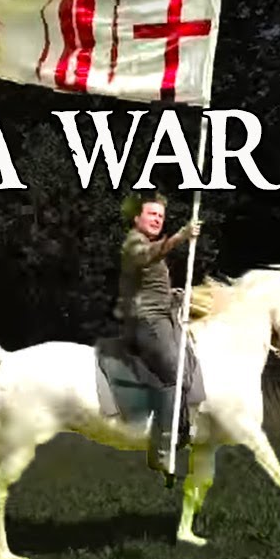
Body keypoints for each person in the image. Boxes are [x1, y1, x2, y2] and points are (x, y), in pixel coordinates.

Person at [115, 192, 205, 476]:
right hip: (147, 322)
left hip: (162, 317)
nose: (157, 219)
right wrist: (180, 237)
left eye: (161, 216)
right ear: (136, 218)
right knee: (174, 374)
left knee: (189, 365)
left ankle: (184, 429)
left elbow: (152, 287)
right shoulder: (134, 243)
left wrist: (175, 296)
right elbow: (148, 256)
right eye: (152, 214)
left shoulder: (150, 245)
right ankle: (161, 451)